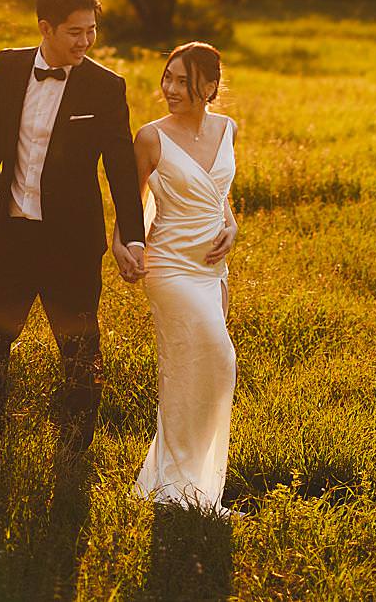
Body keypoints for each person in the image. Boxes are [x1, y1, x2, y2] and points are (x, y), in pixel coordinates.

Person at [0, 0, 147, 440]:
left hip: (73, 242)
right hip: (14, 233)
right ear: (45, 28)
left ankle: (77, 441)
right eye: (74, 32)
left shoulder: (106, 87)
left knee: (79, 346)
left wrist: (134, 234)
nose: (86, 41)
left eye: (92, 30)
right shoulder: (7, 66)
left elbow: (121, 166)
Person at [132, 40, 239, 512]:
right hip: (170, 267)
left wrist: (231, 224)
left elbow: (221, 193)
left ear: (210, 87)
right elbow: (129, 204)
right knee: (217, 359)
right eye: (168, 78)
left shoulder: (227, 128)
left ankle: (183, 485)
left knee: (201, 375)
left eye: (183, 81)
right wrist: (124, 246)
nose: (171, 89)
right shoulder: (151, 137)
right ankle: (178, 489)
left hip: (213, 268)